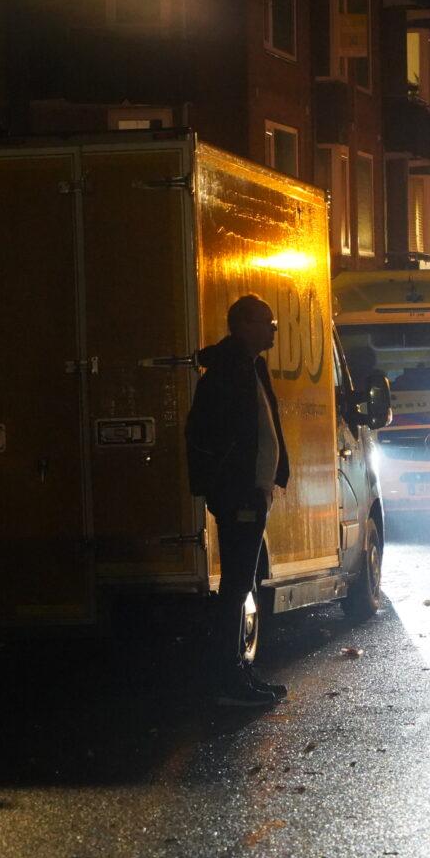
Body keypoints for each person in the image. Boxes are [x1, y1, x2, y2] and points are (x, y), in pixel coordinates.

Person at [186, 295, 290, 707]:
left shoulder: (250, 367)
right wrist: (228, 484)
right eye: (268, 322)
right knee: (234, 588)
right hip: (239, 494)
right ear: (244, 325)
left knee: (242, 583)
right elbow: (206, 434)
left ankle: (238, 673)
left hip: (252, 490)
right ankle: (227, 680)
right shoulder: (226, 373)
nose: (273, 329)